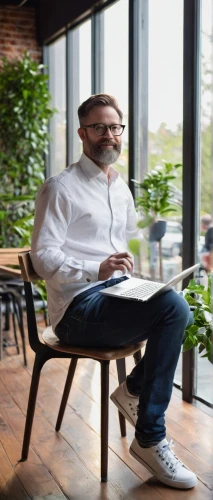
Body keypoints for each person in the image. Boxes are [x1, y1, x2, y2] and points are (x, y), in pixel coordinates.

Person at [31, 94, 197, 490]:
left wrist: (134, 263)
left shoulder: (119, 187)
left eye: (114, 127)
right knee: (173, 310)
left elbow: (125, 241)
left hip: (114, 297)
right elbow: (42, 258)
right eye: (99, 127)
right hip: (76, 311)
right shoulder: (60, 188)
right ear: (82, 133)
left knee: (177, 305)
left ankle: (135, 390)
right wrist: (96, 267)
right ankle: (149, 437)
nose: (109, 135)